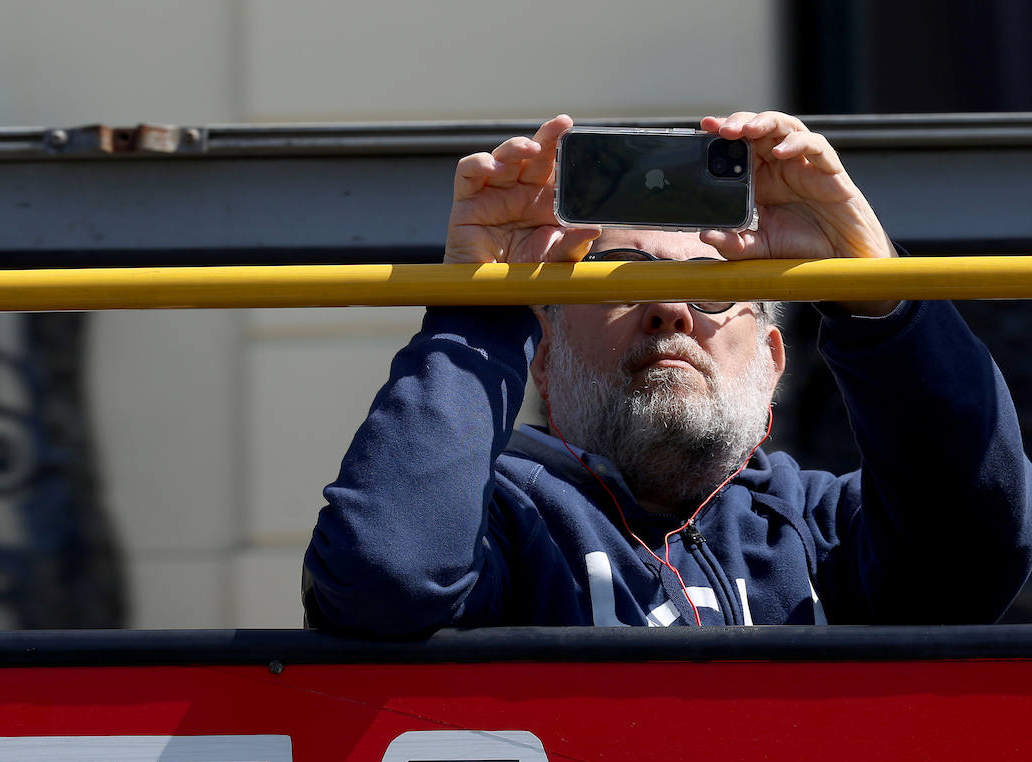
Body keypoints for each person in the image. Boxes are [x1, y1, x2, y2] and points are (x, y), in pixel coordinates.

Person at [303, 111, 1032, 634]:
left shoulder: (826, 532)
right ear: (544, 359)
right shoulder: (496, 522)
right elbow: (385, 581)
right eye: (619, 276)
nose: (669, 309)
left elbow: (978, 546)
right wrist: (478, 311)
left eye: (714, 285)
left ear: (773, 368)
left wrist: (878, 289)